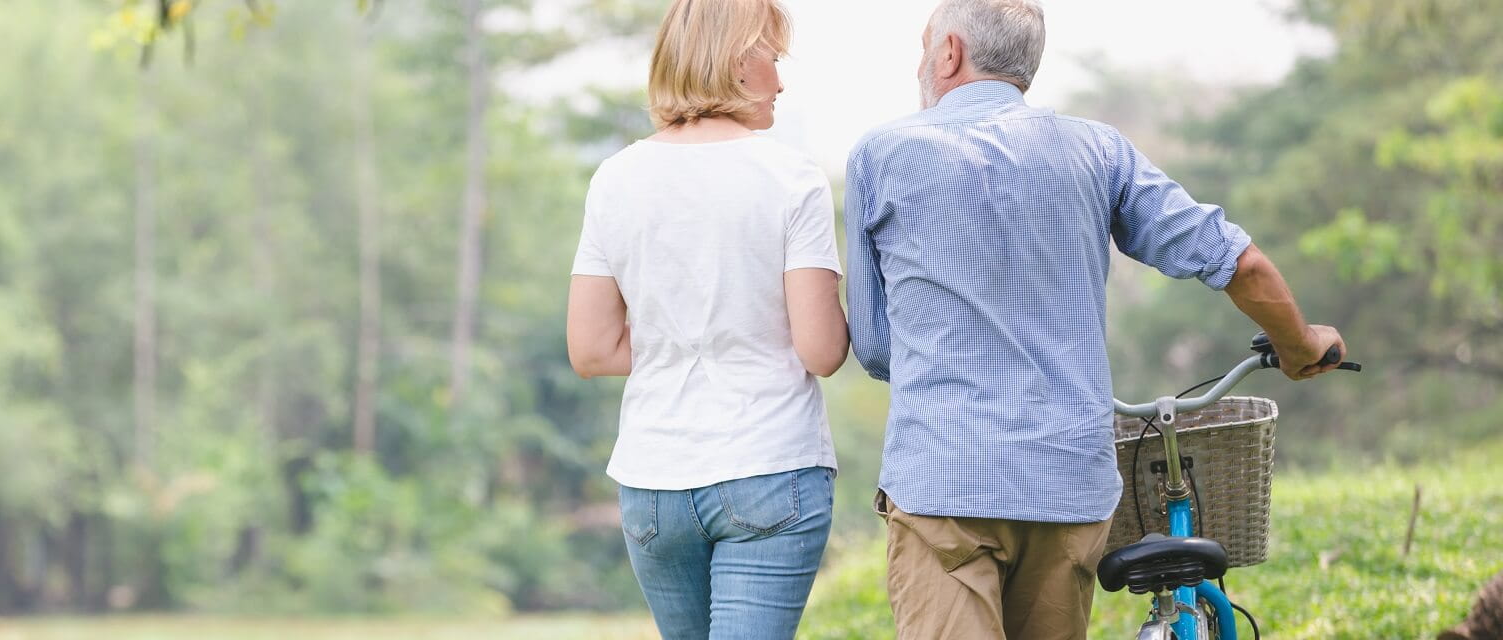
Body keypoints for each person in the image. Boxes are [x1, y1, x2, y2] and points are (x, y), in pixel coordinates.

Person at [844, 1, 1349, 637]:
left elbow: (874, 345)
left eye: (923, 48)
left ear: (948, 52)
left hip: (944, 487)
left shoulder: (878, 156)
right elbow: (1238, 263)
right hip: (1065, 492)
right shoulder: (1098, 151)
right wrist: (1301, 345)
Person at [564, 0, 848, 637]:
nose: (781, 78)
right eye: (773, 58)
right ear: (738, 60)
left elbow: (591, 349)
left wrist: (680, 337)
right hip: (769, 468)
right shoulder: (791, 178)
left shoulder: (615, 178)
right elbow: (821, 351)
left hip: (653, 482)